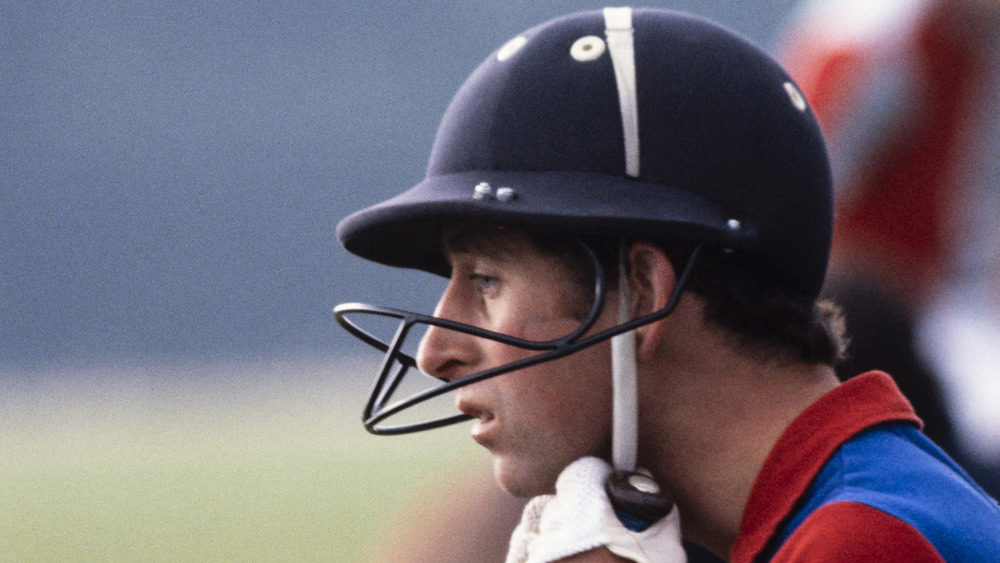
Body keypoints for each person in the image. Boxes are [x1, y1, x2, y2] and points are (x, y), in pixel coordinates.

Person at [334, 8, 1000, 561]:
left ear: (644, 291)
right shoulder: (837, 510)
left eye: (485, 278)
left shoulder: (861, 542)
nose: (434, 352)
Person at [777, 0, 1000, 495]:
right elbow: (804, 179)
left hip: (933, 303)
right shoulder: (882, 43)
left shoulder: (966, 38)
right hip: (863, 314)